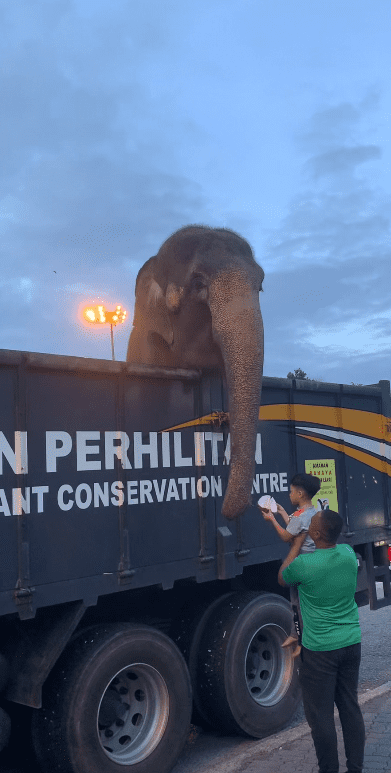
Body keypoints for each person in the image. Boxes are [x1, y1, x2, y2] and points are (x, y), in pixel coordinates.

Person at [278, 510, 365, 773]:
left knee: (321, 716)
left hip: (320, 651)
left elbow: (283, 577)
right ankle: (355, 768)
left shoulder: (305, 565)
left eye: (311, 526)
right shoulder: (349, 554)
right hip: (351, 643)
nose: (309, 525)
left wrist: (295, 542)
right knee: (350, 707)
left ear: (315, 535)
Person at [259, 472, 321, 655]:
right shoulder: (310, 511)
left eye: (292, 491)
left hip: (301, 565)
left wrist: (272, 519)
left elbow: (287, 536)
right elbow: (294, 529)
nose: (289, 494)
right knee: (304, 603)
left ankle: (301, 640)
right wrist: (284, 514)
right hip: (311, 563)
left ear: (300, 494)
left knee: (297, 604)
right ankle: (298, 636)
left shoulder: (302, 516)